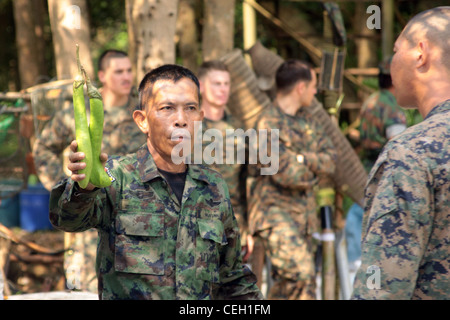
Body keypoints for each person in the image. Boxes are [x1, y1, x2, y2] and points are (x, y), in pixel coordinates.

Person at [48, 64, 263, 300]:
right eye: (167, 108)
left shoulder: (213, 186)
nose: (181, 119)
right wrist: (83, 187)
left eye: (190, 108)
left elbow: (232, 277)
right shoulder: (116, 177)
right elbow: (66, 219)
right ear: (142, 121)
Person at [351, 6, 450, 299]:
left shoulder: (413, 153)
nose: (393, 61)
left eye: (396, 50)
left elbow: (381, 288)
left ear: (421, 53)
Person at [32, 49, 146, 292]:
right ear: (103, 75)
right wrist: (69, 185)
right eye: (119, 71)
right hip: (90, 220)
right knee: (88, 289)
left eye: (129, 70)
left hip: (134, 219)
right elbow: (42, 147)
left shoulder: (141, 114)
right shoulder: (78, 112)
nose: (126, 77)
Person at [248, 59, 337, 299]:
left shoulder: (309, 121)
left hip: (305, 218)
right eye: (313, 86)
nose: (315, 91)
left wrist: (300, 158)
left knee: (288, 288)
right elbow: (288, 175)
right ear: (301, 87)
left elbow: (331, 160)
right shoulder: (267, 124)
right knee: (303, 276)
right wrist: (310, 166)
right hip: (275, 216)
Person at [345, 56, 407, 269]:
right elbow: (398, 141)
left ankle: (354, 257)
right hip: (383, 165)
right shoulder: (391, 105)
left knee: (359, 206)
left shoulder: (370, 100)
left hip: (366, 164)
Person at [197, 60, 252, 260]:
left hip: (232, 225)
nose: (222, 89)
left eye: (226, 84)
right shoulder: (188, 126)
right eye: (216, 84)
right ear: (201, 86)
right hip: (194, 226)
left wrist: (247, 228)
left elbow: (246, 182)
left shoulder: (239, 128)